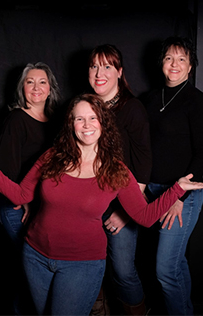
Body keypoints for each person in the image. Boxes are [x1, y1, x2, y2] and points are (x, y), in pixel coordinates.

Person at [0, 94, 203, 316]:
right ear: (71, 124)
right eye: (79, 118)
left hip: (82, 265)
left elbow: (144, 217)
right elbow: (21, 195)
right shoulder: (52, 156)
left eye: (92, 118)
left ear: (102, 123)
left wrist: (177, 189)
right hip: (35, 256)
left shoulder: (116, 170)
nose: (86, 124)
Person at [143, 36, 203, 315]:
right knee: (175, 262)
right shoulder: (149, 98)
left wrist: (179, 195)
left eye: (182, 59)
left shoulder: (196, 100)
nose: (175, 64)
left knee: (165, 269)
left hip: (183, 194)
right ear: (161, 63)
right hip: (152, 191)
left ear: (190, 66)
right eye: (170, 58)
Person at [87, 45, 152, 315]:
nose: (99, 73)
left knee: (123, 270)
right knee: (90, 266)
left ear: (119, 72)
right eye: (93, 66)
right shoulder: (85, 106)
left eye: (107, 67)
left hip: (120, 204)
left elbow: (144, 162)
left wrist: (126, 211)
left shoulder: (132, 108)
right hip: (89, 202)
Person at [0, 62, 60, 314]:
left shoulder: (55, 121)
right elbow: (5, 171)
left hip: (43, 208)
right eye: (30, 81)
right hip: (17, 206)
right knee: (28, 273)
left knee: (37, 273)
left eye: (42, 81)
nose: (36, 87)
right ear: (22, 87)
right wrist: (28, 202)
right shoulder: (16, 119)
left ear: (50, 87)